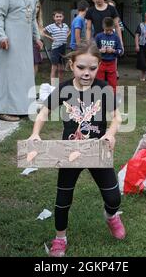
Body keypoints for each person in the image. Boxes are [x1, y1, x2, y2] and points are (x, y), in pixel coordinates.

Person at [28, 42, 125, 257]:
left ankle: (111, 217)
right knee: (63, 200)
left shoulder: (104, 89)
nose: (87, 73)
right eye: (81, 67)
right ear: (71, 65)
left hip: (96, 150)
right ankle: (60, 238)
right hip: (68, 151)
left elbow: (117, 117)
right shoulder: (64, 89)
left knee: (113, 199)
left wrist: (110, 133)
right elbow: (44, 112)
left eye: (92, 68)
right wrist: (36, 133)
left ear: (99, 65)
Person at [0, 0, 43, 122]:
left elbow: (33, 19)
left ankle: (23, 108)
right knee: (8, 75)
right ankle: (3, 109)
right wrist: (2, 36)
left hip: (25, 43)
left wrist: (37, 38)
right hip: (9, 41)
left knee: (25, 75)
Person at [95, 17, 124, 93]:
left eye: (110, 30)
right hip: (101, 63)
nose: (108, 31)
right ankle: (99, 100)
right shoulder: (98, 36)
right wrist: (100, 50)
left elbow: (120, 51)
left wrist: (113, 51)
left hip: (111, 63)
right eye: (106, 30)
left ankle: (112, 100)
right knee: (99, 83)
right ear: (103, 27)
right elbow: (93, 50)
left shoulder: (116, 37)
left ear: (113, 27)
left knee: (113, 84)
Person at [43, 9, 70, 84]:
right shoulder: (51, 26)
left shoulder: (65, 26)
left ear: (63, 17)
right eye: (57, 16)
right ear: (54, 18)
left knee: (61, 69)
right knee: (54, 68)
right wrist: (50, 38)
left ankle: (60, 84)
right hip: (55, 49)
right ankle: (54, 86)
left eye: (60, 16)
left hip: (63, 48)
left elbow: (69, 31)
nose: (58, 18)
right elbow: (43, 31)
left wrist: (65, 37)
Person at [135, 11, 146, 81]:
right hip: (142, 45)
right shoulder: (141, 25)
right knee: (142, 61)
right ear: (144, 17)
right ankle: (143, 76)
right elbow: (136, 35)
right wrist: (137, 45)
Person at [33, 1, 44, 75]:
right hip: (27, 46)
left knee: (35, 67)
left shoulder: (38, 21)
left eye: (38, 7)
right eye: (35, 7)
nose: (36, 9)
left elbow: (40, 39)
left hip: (36, 47)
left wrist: (40, 52)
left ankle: (56, 85)